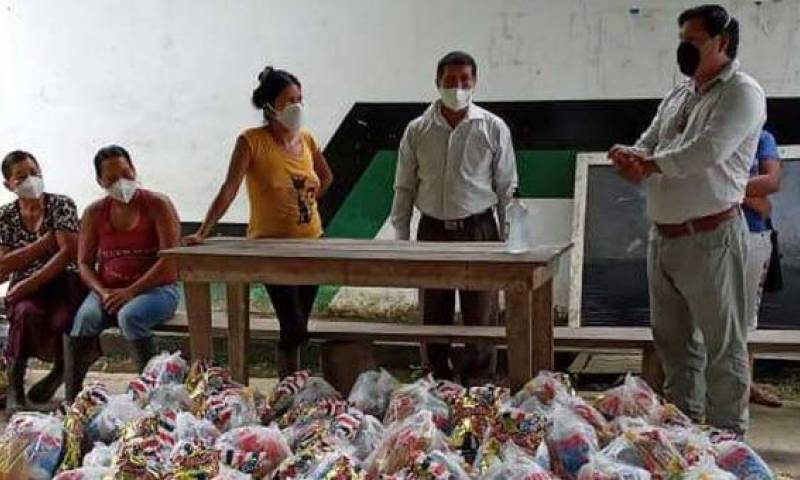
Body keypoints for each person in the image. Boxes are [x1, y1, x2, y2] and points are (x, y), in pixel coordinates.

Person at [608, 5, 765, 435]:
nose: (683, 49)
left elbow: (705, 151)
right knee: (675, 348)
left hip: (711, 237)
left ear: (722, 43)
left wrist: (650, 163)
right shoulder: (679, 94)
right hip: (665, 238)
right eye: (681, 39)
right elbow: (650, 141)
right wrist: (630, 156)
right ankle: (684, 434)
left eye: (692, 42)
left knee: (723, 349)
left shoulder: (742, 93)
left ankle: (728, 442)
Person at [182, 66, 333, 378]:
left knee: (301, 325)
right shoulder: (251, 142)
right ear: (269, 106)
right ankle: (287, 385)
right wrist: (202, 232)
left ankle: (295, 384)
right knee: (291, 324)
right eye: (289, 100)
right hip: (270, 249)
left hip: (312, 244)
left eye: (300, 99)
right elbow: (229, 189)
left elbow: (326, 177)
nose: (297, 107)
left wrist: (305, 204)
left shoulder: (307, 140)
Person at [390, 51, 518, 383]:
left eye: (465, 81)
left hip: (479, 230)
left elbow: (506, 187)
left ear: (475, 82)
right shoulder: (417, 130)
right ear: (437, 82)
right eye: (450, 81)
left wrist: (510, 240)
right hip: (432, 230)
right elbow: (403, 186)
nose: (458, 87)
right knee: (433, 312)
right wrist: (401, 242)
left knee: (481, 313)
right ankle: (436, 380)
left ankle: (478, 386)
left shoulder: (492, 127)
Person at [65, 145, 181, 401]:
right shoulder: (95, 212)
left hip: (157, 290)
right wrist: (103, 292)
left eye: (126, 174)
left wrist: (131, 291)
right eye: (112, 179)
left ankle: (152, 393)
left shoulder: (157, 204)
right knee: (84, 318)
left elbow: (170, 259)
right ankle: (71, 397)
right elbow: (83, 263)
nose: (122, 183)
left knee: (130, 316)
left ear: (134, 170)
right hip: (108, 290)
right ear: (100, 182)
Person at [0, 151, 86, 411]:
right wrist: (44, 243)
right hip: (26, 290)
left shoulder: (61, 205)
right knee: (24, 313)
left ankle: (61, 371)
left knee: (63, 319)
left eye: (34, 172)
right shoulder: (5, 216)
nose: (31, 180)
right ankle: (15, 387)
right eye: (21, 177)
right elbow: (2, 265)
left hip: (65, 283)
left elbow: (67, 254)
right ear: (8, 185)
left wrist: (29, 282)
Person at [742, 129, 782, 407]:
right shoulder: (710, 135)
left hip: (754, 236)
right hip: (709, 235)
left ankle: (744, 384)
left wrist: (728, 188)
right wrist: (749, 193)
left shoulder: (762, 138)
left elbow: (771, 183)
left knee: (746, 316)